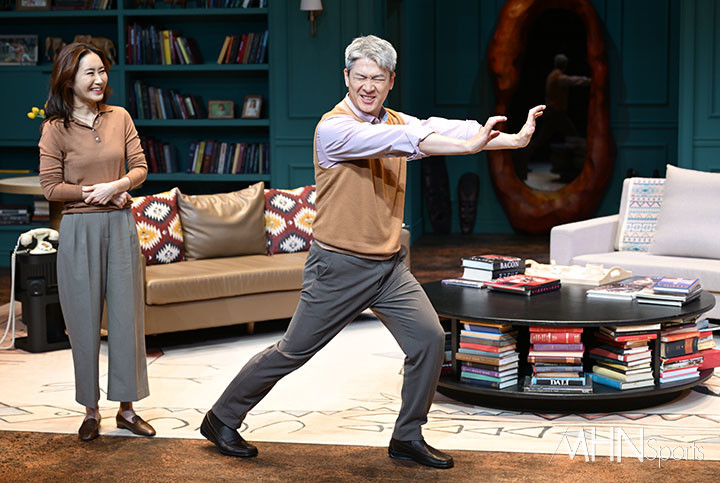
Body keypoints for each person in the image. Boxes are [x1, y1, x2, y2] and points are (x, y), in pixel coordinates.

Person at [200, 35, 544, 469]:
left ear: (391, 81)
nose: (368, 86)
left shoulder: (394, 120)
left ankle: (407, 437)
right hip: (339, 266)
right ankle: (221, 418)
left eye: (378, 78)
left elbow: (438, 126)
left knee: (429, 339)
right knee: (293, 351)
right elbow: (409, 139)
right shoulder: (335, 128)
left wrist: (511, 141)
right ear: (346, 77)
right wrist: (468, 147)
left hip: (389, 267)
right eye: (360, 77)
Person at [38, 42, 155, 442]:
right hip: (79, 230)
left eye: (102, 71)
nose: (99, 79)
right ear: (69, 79)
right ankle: (90, 411)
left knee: (126, 319)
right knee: (83, 322)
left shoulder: (120, 117)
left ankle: (127, 409)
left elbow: (140, 168)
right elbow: (51, 188)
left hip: (120, 226)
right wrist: (99, 193)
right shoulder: (55, 128)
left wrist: (118, 186)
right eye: (89, 72)